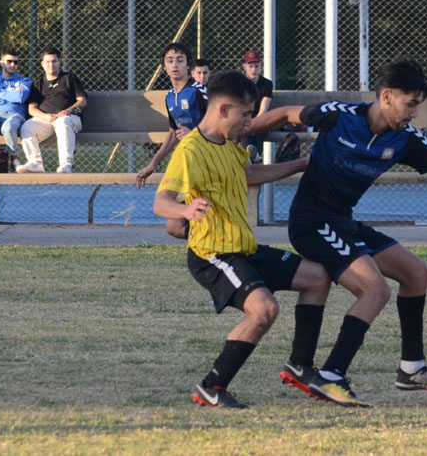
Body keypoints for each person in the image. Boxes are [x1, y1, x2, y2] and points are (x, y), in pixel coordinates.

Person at [247, 57, 427, 407]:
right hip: (311, 221)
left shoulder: (406, 139)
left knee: (415, 272)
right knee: (375, 290)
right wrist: (241, 130)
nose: (414, 114)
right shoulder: (341, 115)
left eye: (417, 106)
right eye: (410, 104)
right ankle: (332, 375)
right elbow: (288, 113)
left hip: (342, 221)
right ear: (387, 97)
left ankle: (410, 370)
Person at [153, 69, 331, 409]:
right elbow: (161, 202)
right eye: (246, 114)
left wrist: (302, 164)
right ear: (223, 110)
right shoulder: (190, 151)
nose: (249, 122)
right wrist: (185, 212)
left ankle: (301, 367)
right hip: (213, 254)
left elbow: (248, 174)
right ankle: (212, 385)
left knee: (317, 276)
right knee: (264, 310)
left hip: (243, 249)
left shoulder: (229, 146)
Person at [135, 43, 209, 239]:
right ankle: (210, 244)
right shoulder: (170, 97)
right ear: (164, 67)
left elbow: (219, 124)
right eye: (170, 61)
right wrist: (153, 164)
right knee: (175, 227)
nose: (175, 64)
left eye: (180, 60)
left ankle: (216, 248)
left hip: (209, 159)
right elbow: (173, 132)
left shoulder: (199, 90)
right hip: (188, 160)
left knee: (191, 218)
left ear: (188, 65)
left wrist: (195, 133)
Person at [17, 47, 87, 174]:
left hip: (70, 118)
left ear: (59, 62)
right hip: (46, 120)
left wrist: (68, 111)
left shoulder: (69, 78)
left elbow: (82, 101)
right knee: (27, 127)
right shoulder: (38, 84)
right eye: (48, 62)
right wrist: (45, 117)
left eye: (54, 61)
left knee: (63, 122)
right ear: (42, 64)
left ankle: (66, 165)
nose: (51, 64)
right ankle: (35, 163)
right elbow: (32, 109)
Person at [242, 50, 272, 161]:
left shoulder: (267, 84)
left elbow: (264, 108)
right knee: (242, 125)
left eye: (256, 66)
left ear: (261, 67)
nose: (253, 69)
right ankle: (255, 156)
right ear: (244, 66)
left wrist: (255, 123)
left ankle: (251, 155)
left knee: (263, 126)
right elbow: (240, 107)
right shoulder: (240, 82)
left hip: (260, 118)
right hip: (244, 117)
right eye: (250, 66)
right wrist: (249, 122)